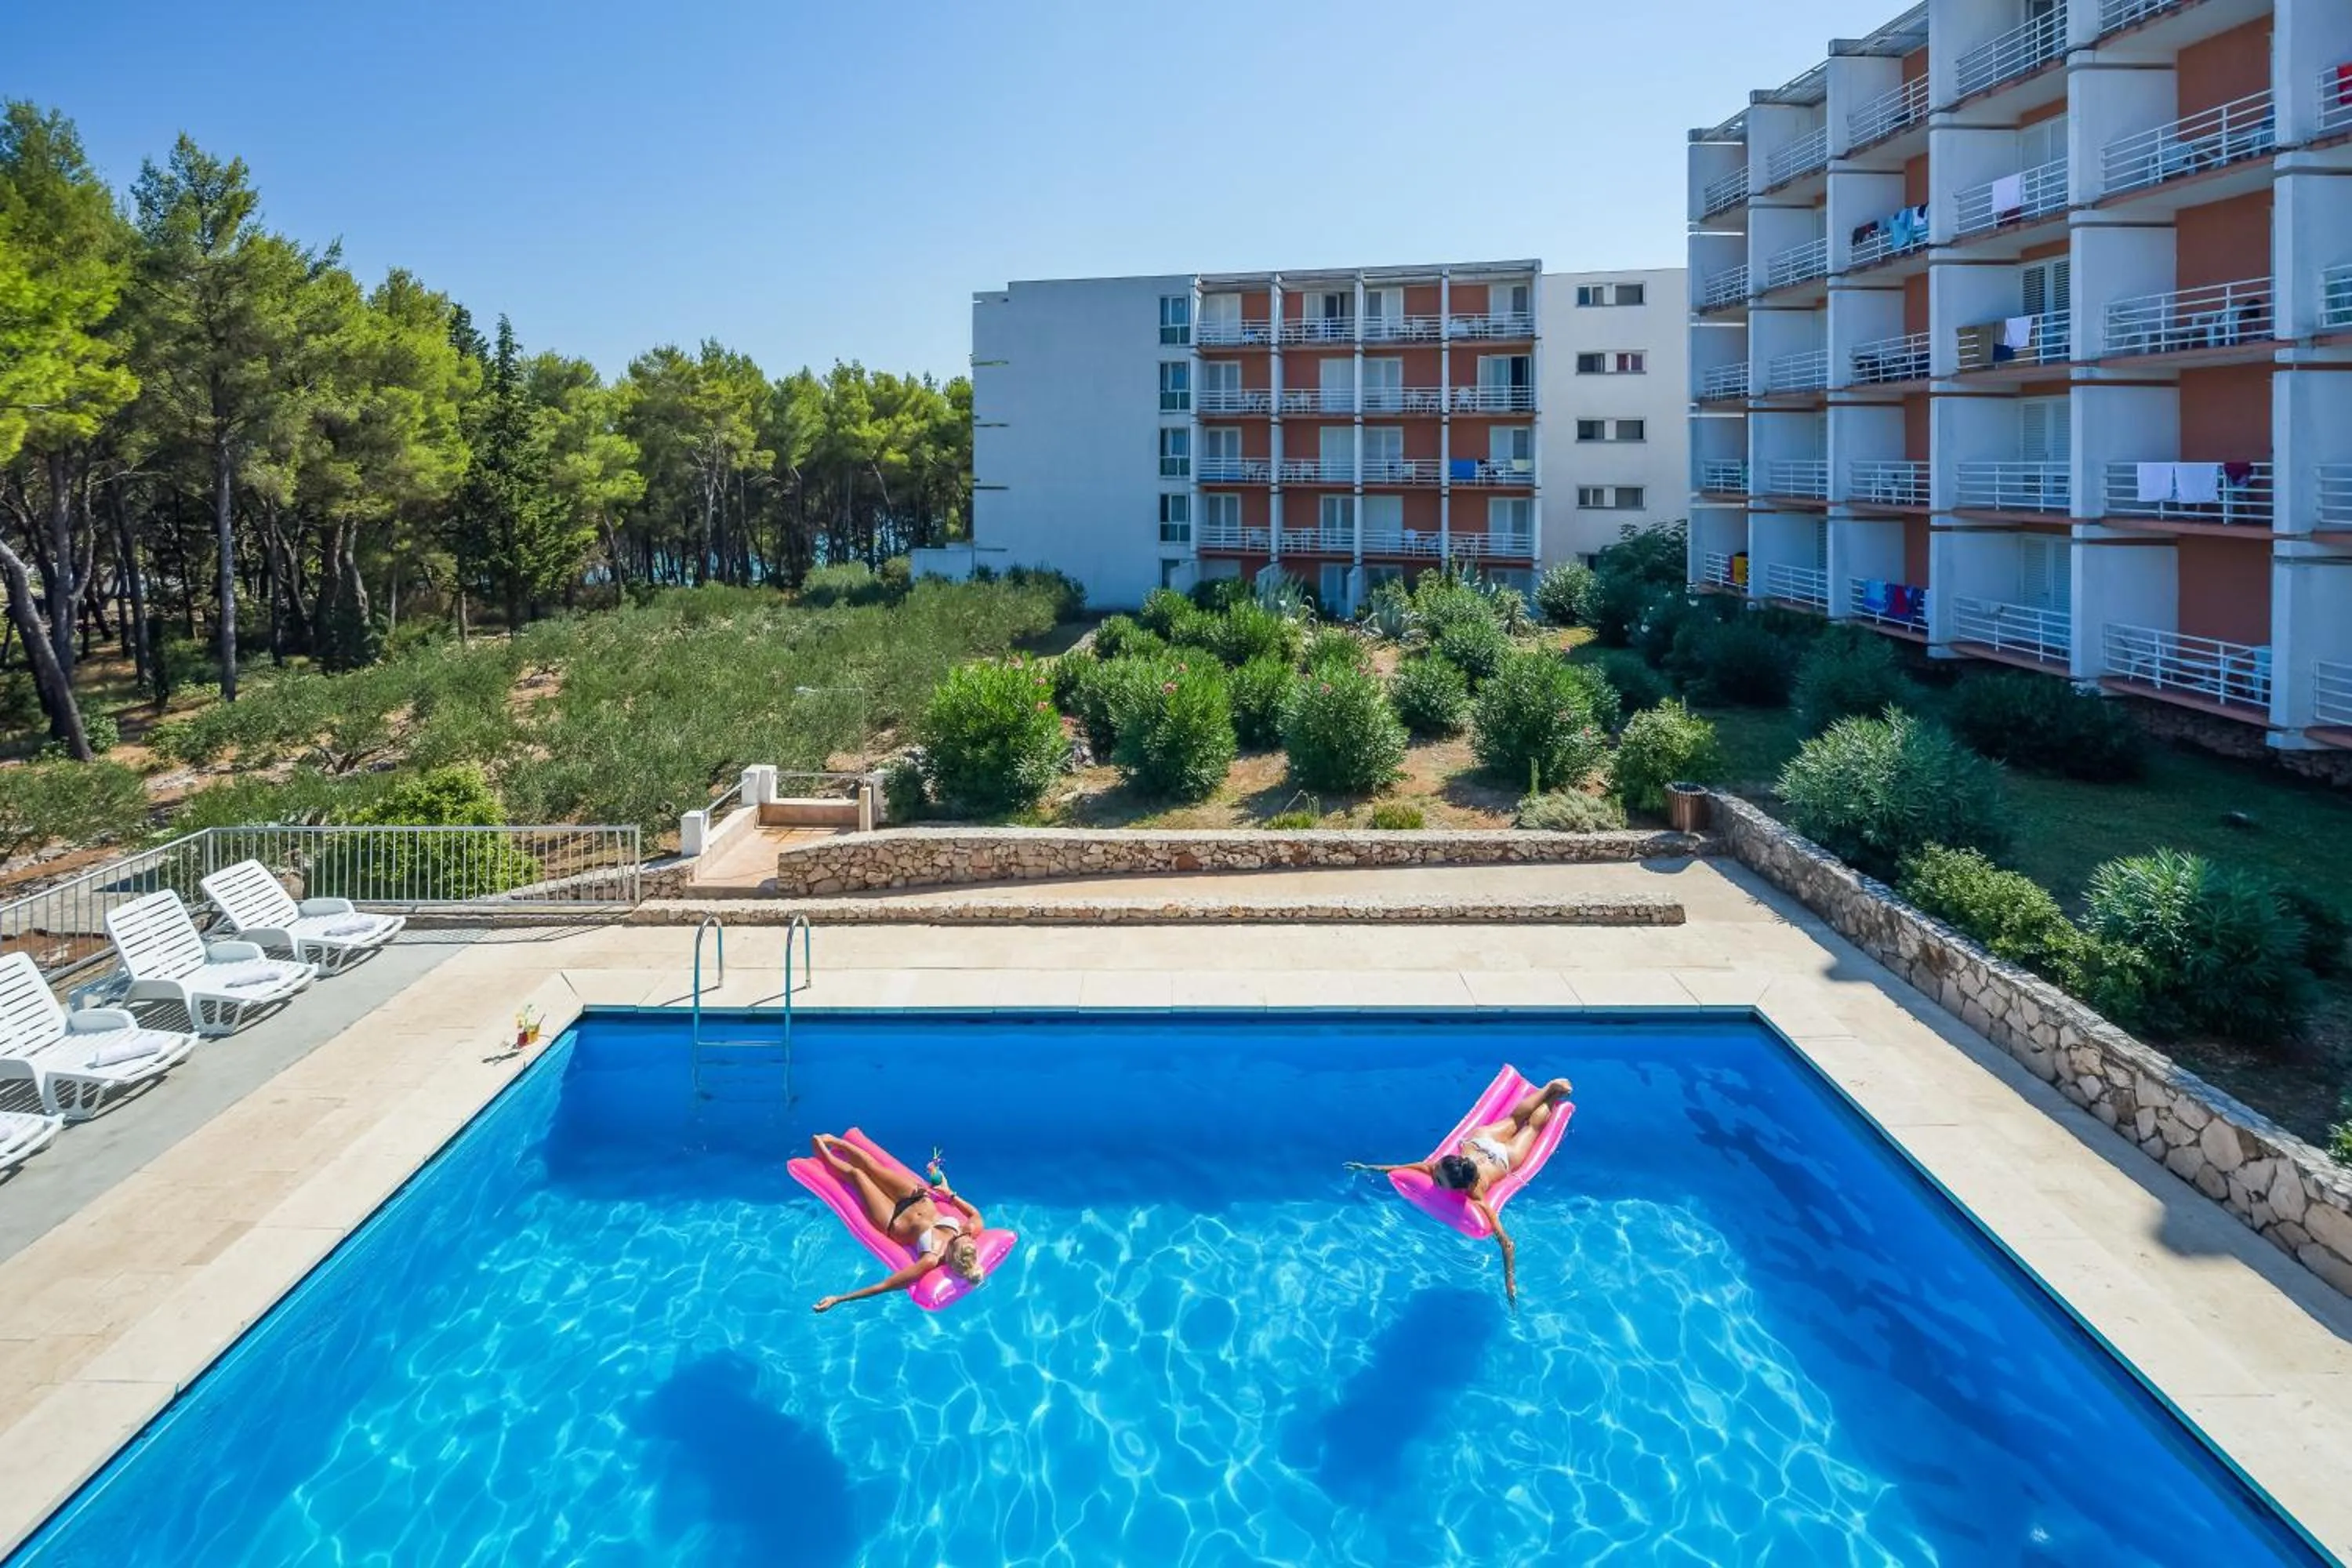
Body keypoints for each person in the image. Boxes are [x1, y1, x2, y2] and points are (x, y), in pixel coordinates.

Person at [1347, 1076, 1573, 1306]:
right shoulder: (1442, 1168)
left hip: (1500, 1155)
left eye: (1438, 1181)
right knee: (1518, 1121)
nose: (1433, 1179)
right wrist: (1370, 1168)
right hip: (1480, 1143)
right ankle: (1550, 1089)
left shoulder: (1477, 1194)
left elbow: (1507, 1243)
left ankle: (1552, 1094)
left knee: (1529, 1126)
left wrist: (1509, 1283)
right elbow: (1407, 1167)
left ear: (1460, 1188)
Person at [808, 1133, 987, 1312]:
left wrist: (838, 1299)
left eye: (957, 1239)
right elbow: (975, 1214)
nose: (960, 1234)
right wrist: (951, 1196)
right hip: (916, 1198)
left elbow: (887, 1285)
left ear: (951, 1254)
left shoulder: (931, 1259)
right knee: (872, 1167)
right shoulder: (967, 1232)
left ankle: (825, 1157)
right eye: (964, 1236)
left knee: (858, 1175)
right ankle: (836, 1141)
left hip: (893, 1218)